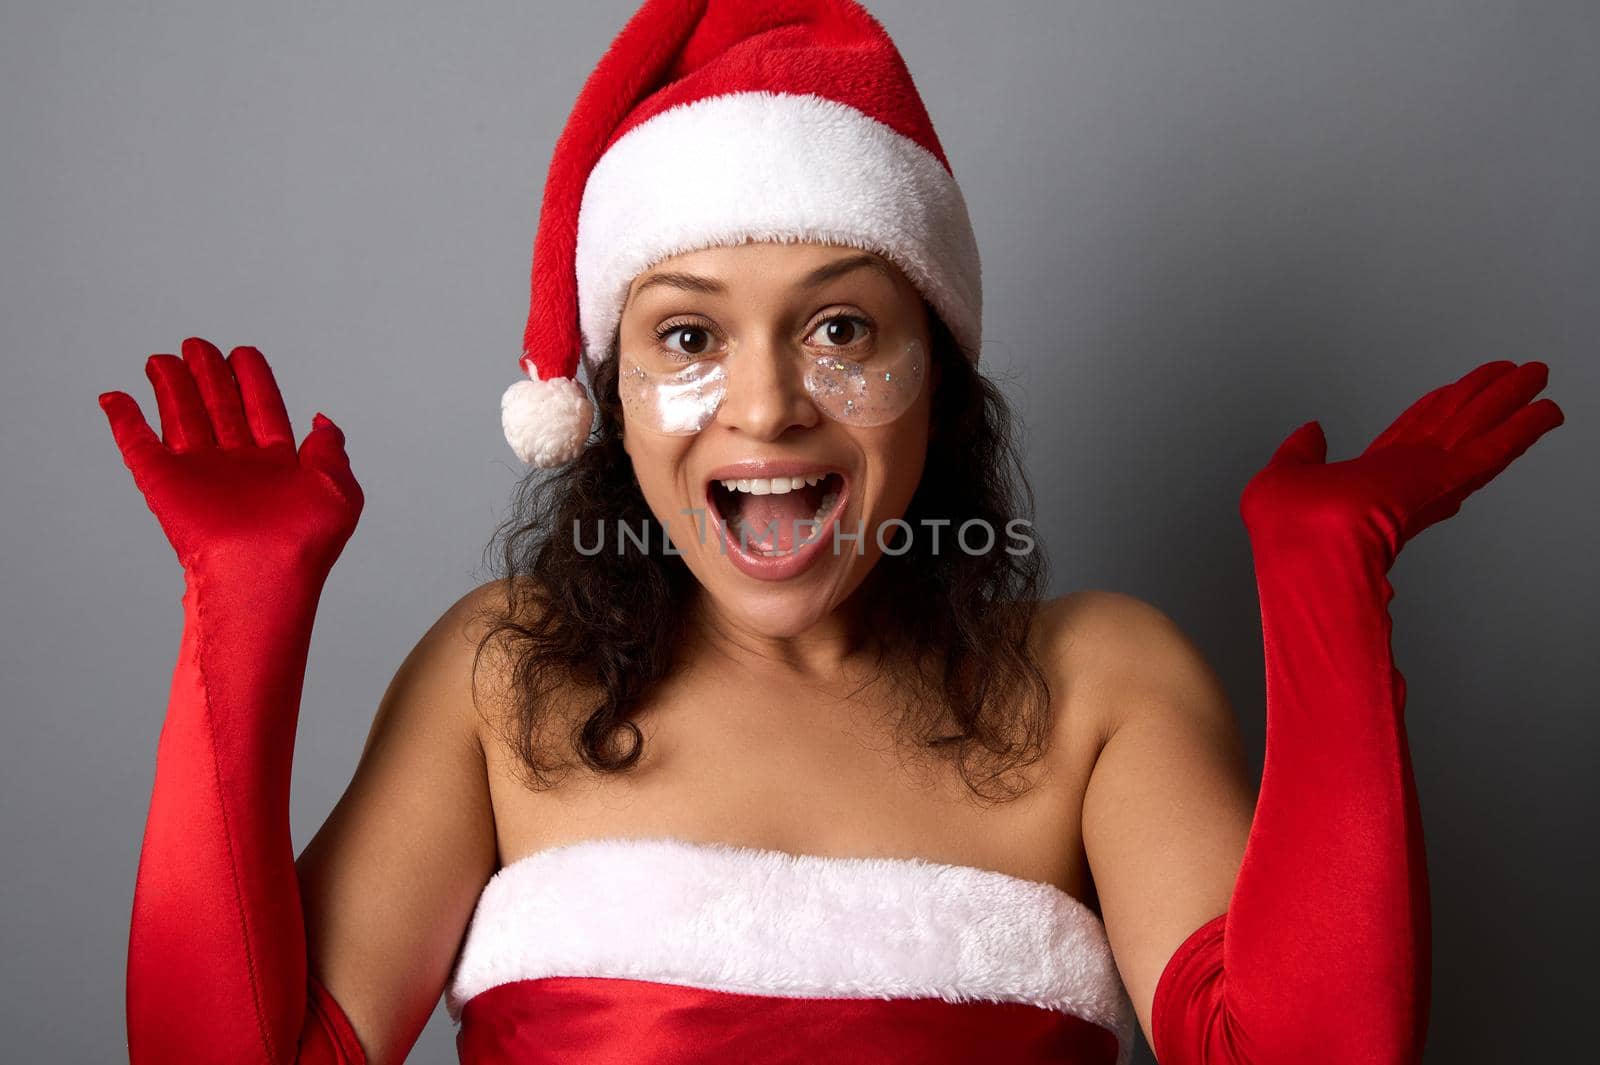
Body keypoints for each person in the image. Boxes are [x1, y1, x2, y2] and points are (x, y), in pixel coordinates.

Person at [98, 2, 1565, 1063]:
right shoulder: (504, 680)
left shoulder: (1099, 689)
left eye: (844, 327)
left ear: (941, 373)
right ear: (609, 399)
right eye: (687, 335)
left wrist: (1326, 587)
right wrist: (241, 610)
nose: (767, 407)